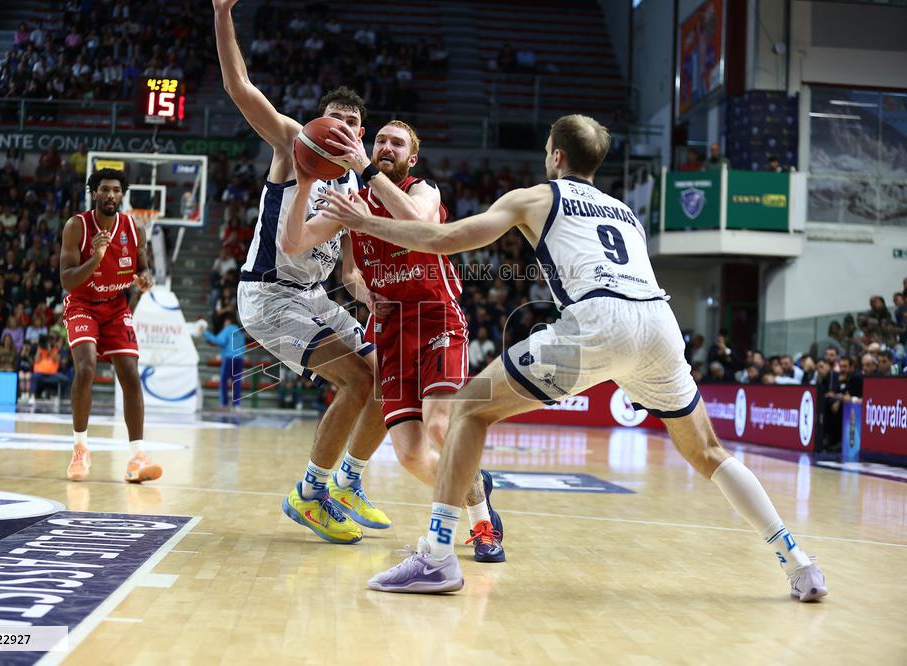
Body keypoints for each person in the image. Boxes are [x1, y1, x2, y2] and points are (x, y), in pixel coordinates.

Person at [321, 113, 827, 601]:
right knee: (710, 452)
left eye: (546, 150)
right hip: (659, 328)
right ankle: (798, 561)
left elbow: (444, 240)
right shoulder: (625, 213)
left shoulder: (537, 196)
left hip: (598, 325)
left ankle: (436, 556)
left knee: (468, 410)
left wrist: (362, 220)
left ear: (556, 156)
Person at [281, 119, 504, 561]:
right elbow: (293, 243)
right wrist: (304, 182)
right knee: (410, 456)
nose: (386, 147)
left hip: (437, 318)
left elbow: (419, 222)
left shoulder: (425, 191)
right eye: (380, 140)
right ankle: (473, 486)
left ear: (411, 158)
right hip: (391, 332)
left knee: (440, 425)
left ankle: (483, 527)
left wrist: (366, 174)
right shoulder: (351, 205)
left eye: (396, 143)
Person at [214, 0, 390, 544]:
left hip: (314, 295)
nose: (343, 129)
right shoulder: (295, 145)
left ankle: (348, 482)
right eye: (335, 120)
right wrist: (223, 14)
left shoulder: (357, 183)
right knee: (357, 380)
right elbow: (240, 87)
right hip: (270, 295)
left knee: (390, 376)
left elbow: (350, 267)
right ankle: (311, 493)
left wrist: (370, 295)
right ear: (319, 124)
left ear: (362, 135)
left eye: (353, 123)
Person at [59, 168, 162, 483]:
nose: (110, 195)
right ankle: (80, 448)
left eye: (116, 190)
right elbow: (67, 281)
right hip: (82, 304)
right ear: (94, 192)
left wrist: (145, 279)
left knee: (130, 374)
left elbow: (143, 267)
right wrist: (96, 258)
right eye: (104, 189)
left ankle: (137, 456)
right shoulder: (77, 226)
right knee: (86, 367)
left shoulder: (134, 227)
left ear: (122, 194)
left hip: (116, 306)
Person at [204, 314, 246, 407]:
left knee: (224, 381)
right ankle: (237, 404)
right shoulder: (239, 332)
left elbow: (219, 341)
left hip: (229, 358)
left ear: (227, 321)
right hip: (239, 358)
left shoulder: (228, 329)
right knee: (237, 382)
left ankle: (224, 403)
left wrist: (205, 333)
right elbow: (244, 346)